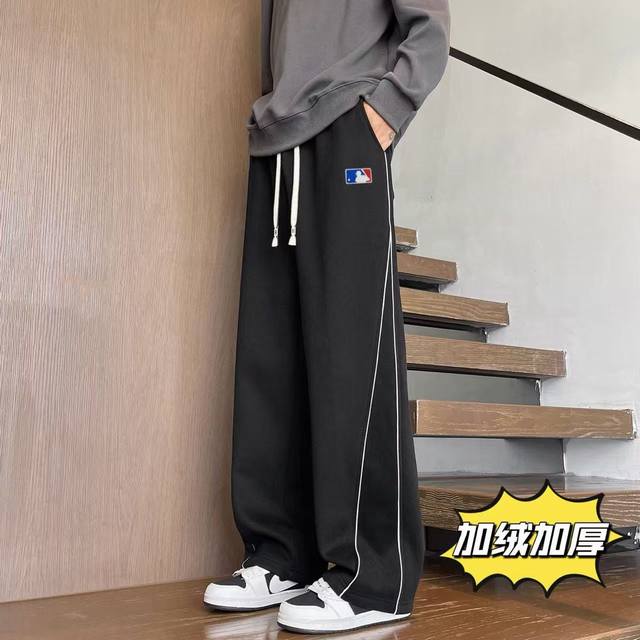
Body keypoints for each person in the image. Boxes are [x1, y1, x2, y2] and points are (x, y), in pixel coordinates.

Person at [204, 0, 450, 633]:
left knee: (351, 354)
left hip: (347, 124)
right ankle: (281, 552)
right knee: (272, 356)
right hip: (277, 137)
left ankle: (376, 577)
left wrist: (385, 110)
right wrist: (274, 109)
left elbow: (429, 26)